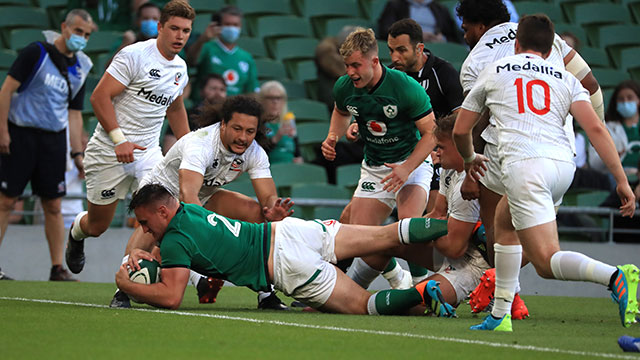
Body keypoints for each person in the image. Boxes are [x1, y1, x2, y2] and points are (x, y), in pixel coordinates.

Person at [453, 14, 638, 331]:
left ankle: (615, 277)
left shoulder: (495, 70)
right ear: (551, 45)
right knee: (503, 220)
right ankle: (500, 314)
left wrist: (470, 158)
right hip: (563, 166)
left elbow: (460, 130)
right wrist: (622, 180)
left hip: (526, 167)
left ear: (516, 43)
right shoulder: (566, 78)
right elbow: (595, 127)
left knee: (545, 262)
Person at [115, 183, 456, 316]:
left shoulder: (174, 238)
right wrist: (155, 255)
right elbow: (188, 249)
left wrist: (127, 284)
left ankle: (428, 292)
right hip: (291, 231)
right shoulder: (189, 212)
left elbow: (172, 297)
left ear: (163, 211)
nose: (145, 231)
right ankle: (462, 229)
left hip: (283, 265)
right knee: (384, 236)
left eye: (145, 223)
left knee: (364, 306)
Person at [112, 95, 294, 309]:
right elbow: (187, 195)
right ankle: (122, 290)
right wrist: (219, 240)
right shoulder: (201, 144)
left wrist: (273, 210)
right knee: (150, 231)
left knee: (257, 214)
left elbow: (268, 200)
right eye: (237, 129)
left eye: (250, 131)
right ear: (223, 124)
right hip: (160, 193)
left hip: (204, 195)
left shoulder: (255, 153)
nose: (243, 137)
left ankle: (266, 294)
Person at [65, 0, 195, 276]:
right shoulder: (133, 55)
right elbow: (99, 96)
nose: (180, 36)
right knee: (98, 226)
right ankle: (77, 233)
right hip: (108, 151)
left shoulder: (180, 69)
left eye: (185, 31)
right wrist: (119, 139)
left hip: (148, 153)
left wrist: (190, 147)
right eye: (174, 28)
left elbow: (174, 107)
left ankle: (126, 281)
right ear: (159, 27)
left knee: (160, 214)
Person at [345, 19, 465, 288]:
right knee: (355, 223)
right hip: (400, 155)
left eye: (402, 50)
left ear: (419, 48)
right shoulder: (388, 77)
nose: (395, 57)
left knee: (428, 228)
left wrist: (448, 153)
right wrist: (357, 124)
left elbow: (460, 119)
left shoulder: (442, 73)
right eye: (391, 50)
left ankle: (439, 283)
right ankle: (405, 280)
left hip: (437, 159)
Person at [321, 28, 436, 290]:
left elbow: (432, 134)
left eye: (356, 65)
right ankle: (398, 278)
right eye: (347, 65)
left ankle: (422, 288)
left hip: (411, 162)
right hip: (375, 167)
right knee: (361, 236)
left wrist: (406, 169)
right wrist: (332, 136)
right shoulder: (345, 86)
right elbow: (341, 111)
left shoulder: (406, 87)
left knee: (408, 226)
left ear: (374, 61)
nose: (350, 72)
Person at [0, 9, 94, 281]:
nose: (82, 38)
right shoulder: (36, 52)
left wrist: (77, 153)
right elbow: (6, 90)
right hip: (21, 133)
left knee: (53, 204)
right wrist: (3, 131)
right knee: (6, 201)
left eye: (87, 35)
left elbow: (75, 114)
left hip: (53, 140)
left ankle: (57, 268)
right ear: (64, 27)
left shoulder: (81, 67)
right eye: (78, 32)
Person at [187, 6, 259, 98]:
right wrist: (202, 40)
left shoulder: (247, 57)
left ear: (240, 27)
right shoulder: (207, 47)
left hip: (234, 109)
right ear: (218, 26)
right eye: (228, 24)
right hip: (205, 106)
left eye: (235, 25)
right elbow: (191, 61)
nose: (232, 28)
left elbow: (251, 90)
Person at [163, 73, 227, 153]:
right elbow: (169, 149)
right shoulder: (188, 115)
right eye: (213, 88)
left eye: (222, 90)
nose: (218, 93)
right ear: (201, 91)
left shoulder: (229, 119)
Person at [589, 80, 640, 175]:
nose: (625, 102)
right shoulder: (604, 128)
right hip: (616, 179)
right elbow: (594, 164)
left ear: (638, 100)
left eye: (630, 98)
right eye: (621, 99)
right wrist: (611, 157)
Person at [377, 0, 464, 44]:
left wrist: (442, 39)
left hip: (437, 48)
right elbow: (386, 30)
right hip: (410, 45)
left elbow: (453, 37)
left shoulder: (440, 9)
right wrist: (414, 35)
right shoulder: (395, 5)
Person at [107, 3, 162, 69]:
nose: (150, 22)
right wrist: (124, 45)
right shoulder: (126, 40)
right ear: (137, 21)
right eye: (145, 18)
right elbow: (109, 69)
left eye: (155, 19)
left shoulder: (167, 44)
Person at [259, 81, 303, 164]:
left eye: (278, 98)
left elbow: (297, 153)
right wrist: (276, 138)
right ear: (262, 100)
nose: (275, 102)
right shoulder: (258, 124)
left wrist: (299, 159)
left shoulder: (289, 123)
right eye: (270, 98)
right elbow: (257, 153)